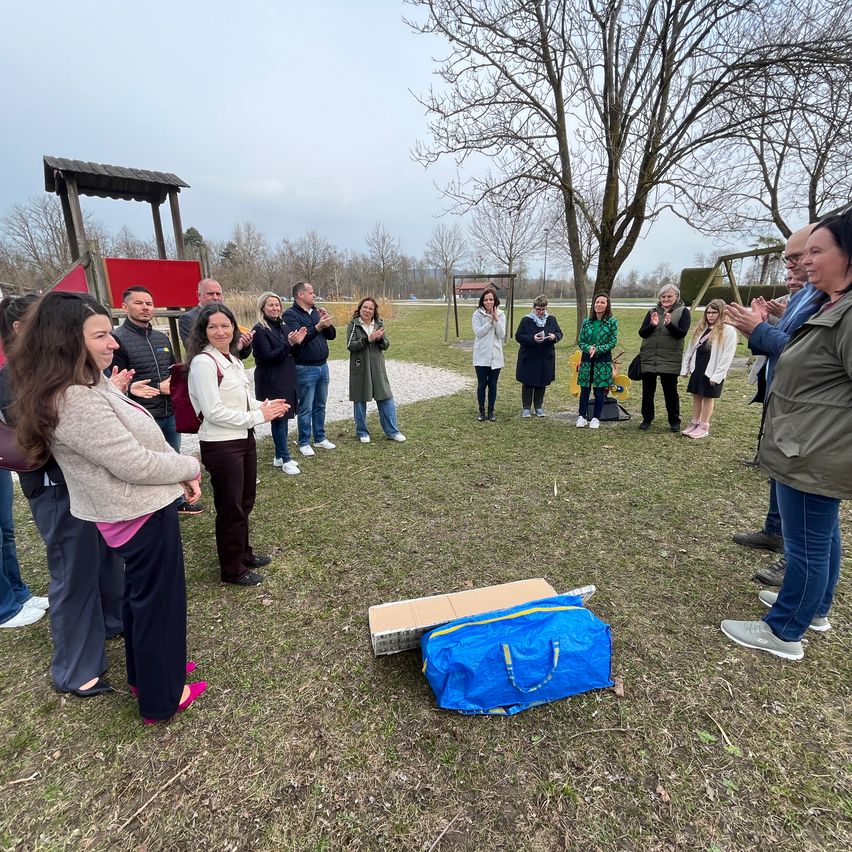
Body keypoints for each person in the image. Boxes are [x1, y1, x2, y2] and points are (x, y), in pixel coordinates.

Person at [9, 292, 206, 723]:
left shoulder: (86, 382)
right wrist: (188, 465)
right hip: (137, 509)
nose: (113, 343)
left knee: (142, 600)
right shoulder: (74, 398)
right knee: (157, 604)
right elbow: (131, 462)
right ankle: (162, 696)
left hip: (140, 506)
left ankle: (150, 673)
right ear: (65, 340)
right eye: (100, 335)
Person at [721, 213, 852, 661]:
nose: (806, 263)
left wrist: (761, 332)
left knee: (808, 543)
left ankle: (784, 630)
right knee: (821, 537)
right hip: (807, 442)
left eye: (817, 252)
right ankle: (811, 609)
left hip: (817, 448)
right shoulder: (831, 304)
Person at [0, 293, 122, 689]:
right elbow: (42, 432)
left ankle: (111, 621)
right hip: (56, 488)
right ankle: (76, 669)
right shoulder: (19, 377)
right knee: (74, 572)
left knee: (105, 558)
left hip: (89, 483)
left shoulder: (67, 371)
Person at [725, 223, 825, 586]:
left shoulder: (833, 301)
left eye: (804, 256)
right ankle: (775, 531)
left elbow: (808, 356)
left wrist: (760, 330)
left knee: (815, 522)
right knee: (785, 483)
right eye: (792, 259)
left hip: (812, 418)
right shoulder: (812, 294)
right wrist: (769, 321)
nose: (796, 267)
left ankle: (796, 610)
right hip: (787, 403)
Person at [186, 304, 288, 586]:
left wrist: (265, 406)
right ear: (204, 332)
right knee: (230, 507)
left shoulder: (232, 359)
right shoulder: (203, 363)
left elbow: (240, 401)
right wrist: (259, 416)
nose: (220, 331)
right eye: (213, 327)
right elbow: (213, 411)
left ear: (234, 328)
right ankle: (232, 569)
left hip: (244, 439)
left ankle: (244, 554)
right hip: (221, 445)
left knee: (245, 501)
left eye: (225, 325)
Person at [110, 285, 204, 515]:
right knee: (146, 464)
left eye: (149, 303)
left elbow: (171, 371)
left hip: (169, 411)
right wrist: (143, 388)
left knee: (171, 457)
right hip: (140, 415)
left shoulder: (162, 337)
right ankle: (151, 507)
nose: (145, 308)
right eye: (138, 303)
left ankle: (176, 501)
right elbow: (112, 382)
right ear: (124, 307)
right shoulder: (116, 340)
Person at [0, 296, 49, 631]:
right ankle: (4, 605)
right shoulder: (9, 374)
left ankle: (17, 591)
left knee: (6, 529)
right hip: (23, 459)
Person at [252, 291, 306, 475]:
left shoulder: (283, 326)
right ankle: (285, 459)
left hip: (286, 377)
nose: (275, 308)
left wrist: (297, 343)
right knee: (278, 419)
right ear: (262, 308)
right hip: (272, 380)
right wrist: (288, 344)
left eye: (277, 305)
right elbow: (267, 357)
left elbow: (291, 353)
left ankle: (278, 456)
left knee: (285, 417)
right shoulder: (260, 329)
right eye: (271, 305)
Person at [283, 282, 337, 456]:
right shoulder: (290, 315)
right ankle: (304, 441)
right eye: (311, 293)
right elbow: (300, 339)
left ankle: (320, 438)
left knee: (320, 405)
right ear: (300, 295)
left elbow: (332, 336)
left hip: (323, 365)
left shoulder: (315, 312)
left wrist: (326, 323)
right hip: (305, 367)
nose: (314, 296)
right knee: (305, 407)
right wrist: (318, 327)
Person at [346, 297, 406, 443]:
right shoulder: (353, 325)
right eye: (364, 307)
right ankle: (362, 432)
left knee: (385, 397)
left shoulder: (379, 324)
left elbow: (386, 345)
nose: (367, 310)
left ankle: (392, 431)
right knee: (360, 398)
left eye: (370, 309)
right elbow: (350, 345)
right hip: (360, 366)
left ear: (374, 312)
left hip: (377, 366)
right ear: (360, 309)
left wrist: (379, 339)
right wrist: (368, 339)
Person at [678, 299, 738, 439]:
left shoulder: (728, 330)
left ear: (721, 313)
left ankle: (704, 425)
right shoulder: (702, 329)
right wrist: (685, 368)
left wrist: (717, 376)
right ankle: (695, 422)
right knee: (696, 394)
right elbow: (690, 349)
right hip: (698, 366)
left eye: (714, 312)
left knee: (708, 396)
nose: (710, 315)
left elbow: (727, 356)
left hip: (712, 369)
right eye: (708, 312)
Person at [637, 283, 691, 432]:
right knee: (648, 391)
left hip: (669, 358)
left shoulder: (683, 312)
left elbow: (681, 334)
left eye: (669, 296)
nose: (666, 299)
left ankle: (674, 421)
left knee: (670, 391)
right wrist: (652, 325)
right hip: (650, 357)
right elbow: (642, 333)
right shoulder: (652, 311)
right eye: (663, 296)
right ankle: (647, 418)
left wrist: (669, 325)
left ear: (676, 297)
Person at [178, 278, 253, 359]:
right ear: (199, 295)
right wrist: (235, 349)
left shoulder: (227, 316)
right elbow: (195, 350)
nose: (215, 297)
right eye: (210, 294)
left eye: (218, 294)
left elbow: (241, 352)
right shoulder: (188, 319)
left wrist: (245, 345)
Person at [515, 295, 563, 417]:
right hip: (529, 357)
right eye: (538, 309)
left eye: (543, 309)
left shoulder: (551, 319)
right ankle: (526, 407)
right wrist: (532, 338)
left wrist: (554, 337)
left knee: (542, 383)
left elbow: (559, 333)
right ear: (534, 308)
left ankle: (538, 407)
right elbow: (519, 336)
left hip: (545, 357)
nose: (541, 312)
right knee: (528, 383)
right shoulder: (526, 320)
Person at [576, 294, 618, 429]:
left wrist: (598, 349)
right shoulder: (587, 322)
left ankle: (595, 418)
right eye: (597, 302)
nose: (599, 304)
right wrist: (589, 348)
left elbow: (613, 341)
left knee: (599, 390)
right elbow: (581, 341)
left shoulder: (611, 322)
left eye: (602, 302)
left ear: (607, 305)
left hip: (603, 360)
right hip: (587, 359)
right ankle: (582, 416)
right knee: (585, 389)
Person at [471, 288, 506, 421]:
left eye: (491, 299)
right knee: (482, 384)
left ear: (495, 300)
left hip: (495, 355)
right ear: (482, 301)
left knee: (493, 384)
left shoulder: (501, 314)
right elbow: (478, 333)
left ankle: (491, 411)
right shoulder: (477, 315)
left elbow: (501, 334)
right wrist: (490, 322)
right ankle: (481, 411)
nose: (488, 302)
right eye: (485, 299)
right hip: (481, 355)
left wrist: (496, 320)